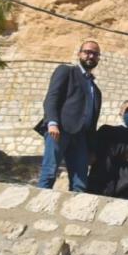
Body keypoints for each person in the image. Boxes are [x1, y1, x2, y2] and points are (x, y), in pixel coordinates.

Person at [35, 40, 102, 192]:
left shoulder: (96, 90)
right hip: (60, 131)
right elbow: (52, 97)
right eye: (87, 52)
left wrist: (91, 148)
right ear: (79, 54)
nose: (90, 56)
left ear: (98, 58)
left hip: (81, 138)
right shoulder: (66, 71)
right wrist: (52, 122)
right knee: (49, 172)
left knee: (80, 182)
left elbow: (92, 121)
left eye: (95, 54)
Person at [86, 99, 128, 200]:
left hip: (125, 194)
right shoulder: (106, 131)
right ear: (120, 113)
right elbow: (92, 154)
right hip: (98, 187)